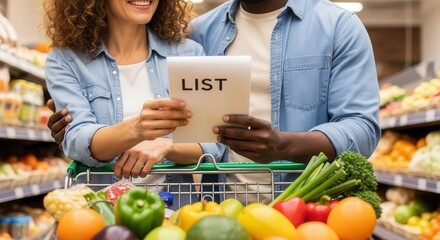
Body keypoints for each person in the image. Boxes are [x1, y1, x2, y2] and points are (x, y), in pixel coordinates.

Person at [47, 0, 381, 203]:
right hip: (221, 208)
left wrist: (283, 145)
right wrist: (77, 133)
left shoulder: (338, 27)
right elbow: (205, 132)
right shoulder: (201, 31)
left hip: (308, 206)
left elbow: (363, 128)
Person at [42, 0, 223, 196]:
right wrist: (136, 128)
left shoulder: (189, 54)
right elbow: (79, 140)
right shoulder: (66, 61)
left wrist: (166, 145)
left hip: (177, 217)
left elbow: (212, 144)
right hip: (105, 214)